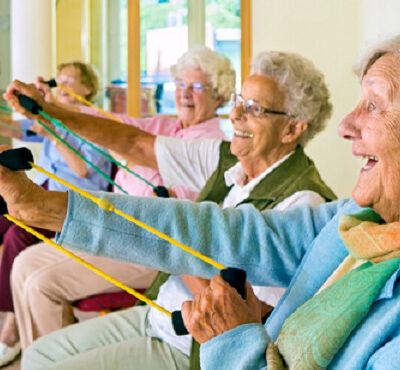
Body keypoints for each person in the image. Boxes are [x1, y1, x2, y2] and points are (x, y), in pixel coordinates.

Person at [3, 34, 400, 369]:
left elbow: (249, 310)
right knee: (39, 355)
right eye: (239, 102)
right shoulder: (354, 218)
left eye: (375, 105)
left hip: (191, 345)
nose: (346, 127)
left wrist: (232, 336)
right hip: (166, 313)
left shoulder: (305, 195)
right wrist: (45, 201)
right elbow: (216, 227)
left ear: (293, 128)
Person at [9, 45, 235, 353]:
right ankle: (43, 357)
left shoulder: (213, 144)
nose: (184, 94)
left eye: (196, 87)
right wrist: (49, 107)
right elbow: (115, 127)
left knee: (39, 283)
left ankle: (51, 359)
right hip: (111, 228)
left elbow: (178, 204)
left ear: (219, 95)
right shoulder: (166, 125)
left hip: (151, 246)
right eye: (181, 85)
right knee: (23, 265)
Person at [0, 61, 113, 367]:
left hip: (73, 206)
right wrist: (24, 103)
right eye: (58, 79)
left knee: (16, 235)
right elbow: (11, 128)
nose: (60, 83)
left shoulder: (97, 123)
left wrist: (52, 132)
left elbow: (82, 169)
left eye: (68, 80)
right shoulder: (55, 119)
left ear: (87, 88)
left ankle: (10, 330)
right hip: (42, 193)